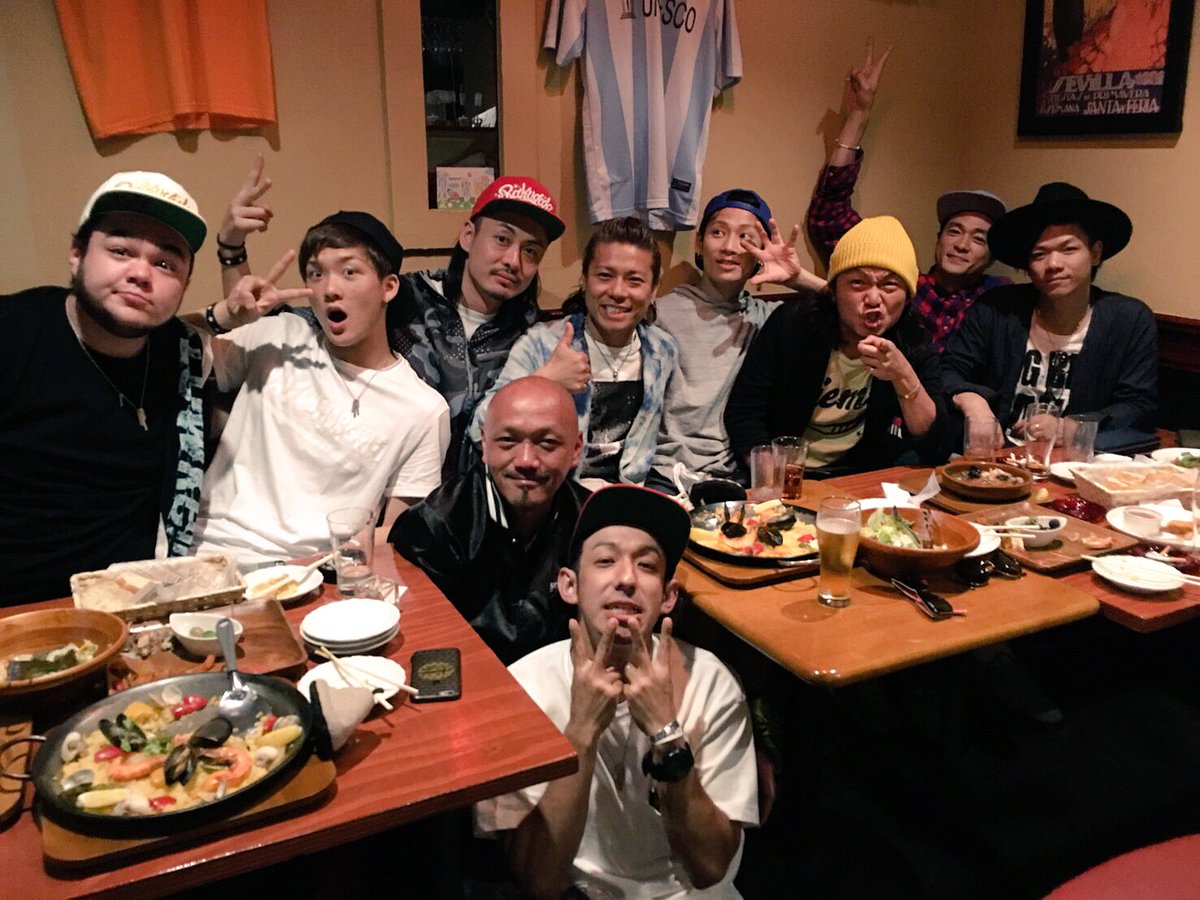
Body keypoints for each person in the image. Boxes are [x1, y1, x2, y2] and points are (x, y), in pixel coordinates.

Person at [475, 485, 759, 897]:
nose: (626, 579)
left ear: (668, 597)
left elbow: (711, 867)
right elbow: (539, 881)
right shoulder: (522, 688)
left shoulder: (712, 683)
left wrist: (666, 734)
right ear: (569, 585)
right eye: (605, 560)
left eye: (647, 565)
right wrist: (581, 733)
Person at [188, 210, 449, 566]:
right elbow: (157, 351)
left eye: (349, 272)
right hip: (211, 556)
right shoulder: (278, 337)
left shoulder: (423, 409)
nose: (330, 290)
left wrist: (320, 570)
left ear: (388, 287)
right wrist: (223, 314)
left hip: (315, 572)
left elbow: (394, 534)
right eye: (316, 274)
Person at [0, 172, 209, 605]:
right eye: (120, 251)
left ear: (184, 286)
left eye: (166, 264)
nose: (141, 274)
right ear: (77, 254)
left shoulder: (181, 352)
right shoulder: (14, 332)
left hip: (138, 608)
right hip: (19, 612)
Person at [806, 39, 1011, 351]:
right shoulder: (901, 285)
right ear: (939, 239)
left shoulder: (1000, 299)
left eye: (979, 238)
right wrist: (860, 114)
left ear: (992, 255)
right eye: (954, 231)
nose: (961, 245)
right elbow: (828, 217)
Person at [389, 376, 589, 665]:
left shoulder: (593, 524)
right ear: (484, 443)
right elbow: (427, 652)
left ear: (576, 449)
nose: (526, 460)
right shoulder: (433, 530)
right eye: (508, 440)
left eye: (547, 443)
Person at [725, 216, 948, 474]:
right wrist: (773, 477)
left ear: (907, 297)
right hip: (784, 471)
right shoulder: (794, 324)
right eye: (858, 283)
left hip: (856, 473)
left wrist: (902, 375)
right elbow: (743, 414)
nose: (873, 298)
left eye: (889, 284)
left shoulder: (911, 341)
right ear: (834, 291)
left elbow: (936, 447)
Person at [942, 182, 1158, 446]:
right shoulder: (997, 309)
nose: (1053, 264)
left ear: (1095, 253)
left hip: (1075, 463)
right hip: (996, 457)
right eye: (1039, 254)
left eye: (1068, 249)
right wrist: (972, 401)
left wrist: (1071, 429)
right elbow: (949, 370)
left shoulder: (1129, 319)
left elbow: (1139, 405)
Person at [471, 216, 678, 489]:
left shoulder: (662, 351)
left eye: (634, 280)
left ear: (653, 289)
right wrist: (545, 381)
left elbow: (667, 440)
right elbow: (479, 430)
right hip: (558, 495)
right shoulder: (543, 344)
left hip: (630, 496)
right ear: (585, 279)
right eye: (604, 276)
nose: (618, 291)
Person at [650, 188, 827, 493]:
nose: (730, 247)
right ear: (699, 243)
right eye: (718, 232)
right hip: (666, 473)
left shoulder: (765, 318)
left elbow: (852, 308)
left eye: (746, 238)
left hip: (737, 477)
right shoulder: (659, 313)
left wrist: (796, 278)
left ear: (759, 253)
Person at [389, 175, 566, 478]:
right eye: (502, 239)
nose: (513, 261)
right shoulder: (402, 300)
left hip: (490, 500)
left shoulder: (537, 338)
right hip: (402, 494)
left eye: (531, 251)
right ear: (468, 236)